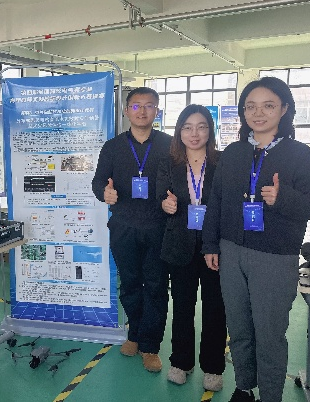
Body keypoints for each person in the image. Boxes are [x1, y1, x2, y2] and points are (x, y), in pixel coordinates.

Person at [202, 76, 310, 402]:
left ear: (284, 109)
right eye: (251, 107)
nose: (258, 113)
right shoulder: (233, 153)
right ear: (243, 112)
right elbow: (216, 201)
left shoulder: (300, 155)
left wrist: (283, 198)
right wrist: (211, 244)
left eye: (268, 106)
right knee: (239, 329)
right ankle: (244, 387)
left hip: (275, 257)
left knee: (269, 334)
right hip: (231, 251)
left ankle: (270, 395)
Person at [91, 87, 172, 372]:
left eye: (149, 106)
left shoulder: (170, 145)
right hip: (123, 226)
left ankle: (151, 346)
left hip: (158, 227)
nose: (142, 111)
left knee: (156, 286)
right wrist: (104, 193)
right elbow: (98, 181)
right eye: (136, 106)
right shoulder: (112, 147)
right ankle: (134, 334)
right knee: (129, 284)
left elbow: (181, 182)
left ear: (157, 111)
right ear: (126, 111)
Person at [156, 105, 227, 392]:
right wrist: (166, 204)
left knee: (215, 309)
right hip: (179, 245)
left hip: (214, 247)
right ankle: (180, 362)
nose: (194, 133)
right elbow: (160, 196)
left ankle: (213, 367)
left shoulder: (221, 162)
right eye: (187, 127)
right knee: (182, 307)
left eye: (201, 127)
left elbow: (227, 204)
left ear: (210, 130)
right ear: (179, 131)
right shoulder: (168, 163)